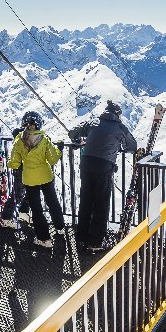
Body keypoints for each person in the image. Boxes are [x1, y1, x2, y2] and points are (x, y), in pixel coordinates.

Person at [68, 100, 138, 253]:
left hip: (86, 164)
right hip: (104, 167)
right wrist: (119, 147)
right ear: (118, 115)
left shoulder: (93, 122)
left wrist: (81, 141)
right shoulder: (120, 127)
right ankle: (95, 241)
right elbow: (133, 147)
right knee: (101, 204)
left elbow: (72, 132)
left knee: (86, 201)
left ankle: (81, 237)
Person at [8, 111, 65, 248]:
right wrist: (59, 149)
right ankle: (60, 228)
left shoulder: (18, 141)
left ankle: (44, 239)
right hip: (46, 176)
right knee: (52, 202)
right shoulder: (44, 139)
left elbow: (14, 163)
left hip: (29, 179)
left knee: (37, 209)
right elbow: (53, 159)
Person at [0, 126, 32, 229]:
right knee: (18, 195)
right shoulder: (23, 140)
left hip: (21, 170)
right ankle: (6, 218)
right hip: (23, 170)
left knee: (24, 194)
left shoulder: (19, 139)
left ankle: (19, 215)